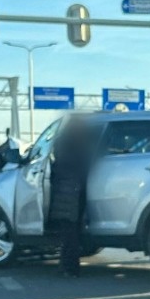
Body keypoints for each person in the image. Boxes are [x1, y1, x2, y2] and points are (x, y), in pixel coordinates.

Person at [48, 117, 93, 277]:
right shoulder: (84, 146)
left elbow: (56, 164)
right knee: (73, 231)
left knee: (68, 233)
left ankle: (69, 267)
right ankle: (68, 266)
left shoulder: (63, 143)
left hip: (65, 191)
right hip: (77, 191)